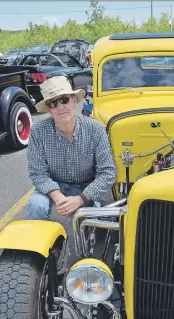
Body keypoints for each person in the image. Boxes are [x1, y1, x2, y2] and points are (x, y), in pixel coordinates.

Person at [26, 76, 117, 222]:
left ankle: (80, 242)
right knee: (36, 206)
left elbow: (107, 172)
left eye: (64, 100)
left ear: (74, 100)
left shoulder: (96, 129)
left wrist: (80, 198)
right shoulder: (38, 131)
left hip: (86, 187)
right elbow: (38, 173)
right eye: (53, 103)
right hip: (54, 186)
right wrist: (58, 197)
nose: (60, 107)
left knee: (77, 221)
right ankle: (42, 244)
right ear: (49, 109)